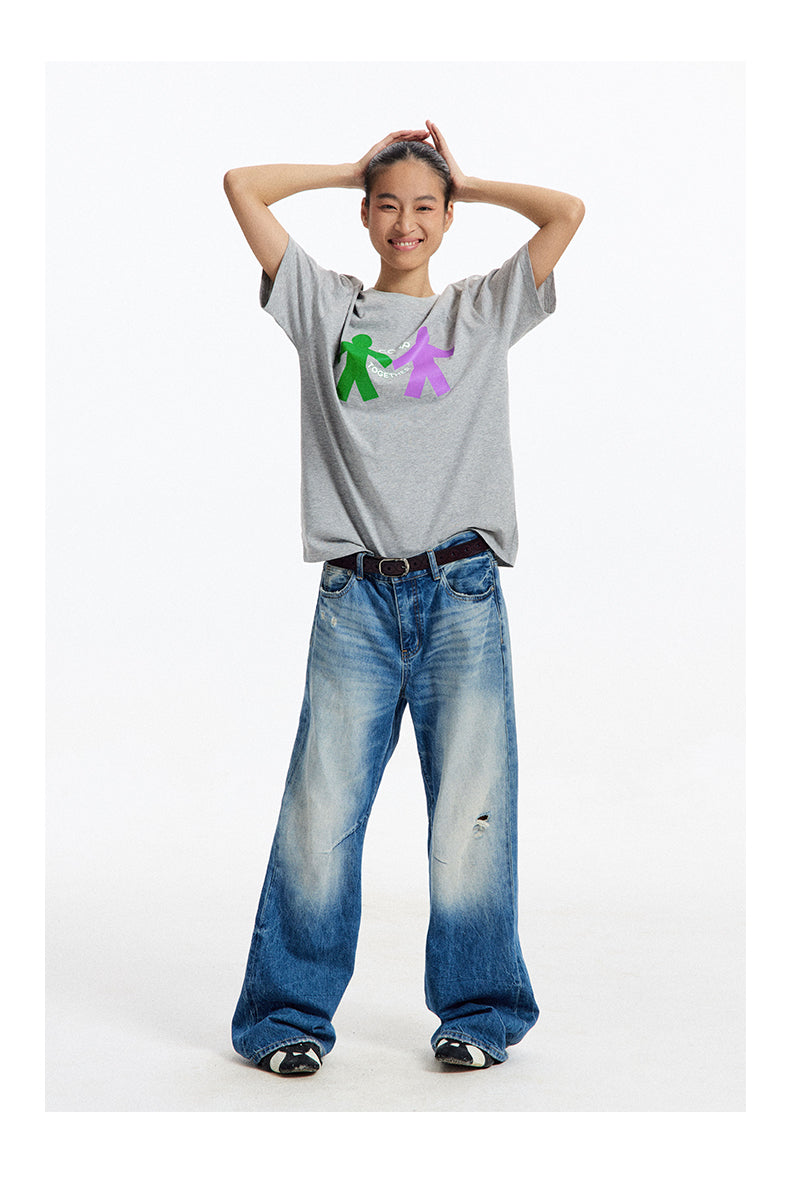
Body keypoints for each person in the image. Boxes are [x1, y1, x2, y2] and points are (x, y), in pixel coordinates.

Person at [223, 121, 584, 1076]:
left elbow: (566, 213)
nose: (406, 222)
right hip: (357, 600)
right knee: (321, 811)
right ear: (365, 215)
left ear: (448, 218)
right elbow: (242, 185)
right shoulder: (325, 308)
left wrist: (465, 178)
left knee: (472, 810)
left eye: (426, 207)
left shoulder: (482, 311)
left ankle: (479, 1012)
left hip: (461, 593)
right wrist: (354, 166)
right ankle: (286, 1018)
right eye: (387, 205)